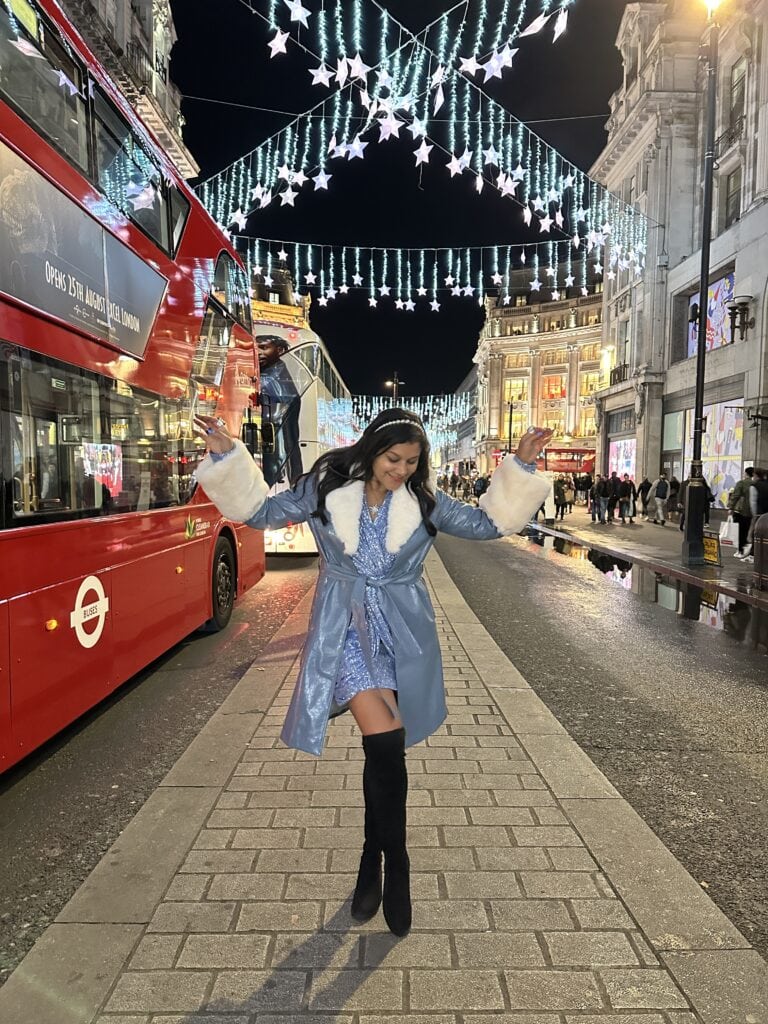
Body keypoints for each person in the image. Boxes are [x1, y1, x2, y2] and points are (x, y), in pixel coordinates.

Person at [194, 409, 552, 937]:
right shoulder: (324, 487)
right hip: (344, 629)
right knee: (385, 743)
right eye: (392, 459)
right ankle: (399, 864)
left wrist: (519, 465)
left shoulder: (425, 501)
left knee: (380, 753)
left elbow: (487, 524)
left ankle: (371, 858)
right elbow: (261, 513)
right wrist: (228, 455)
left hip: (402, 630)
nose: (401, 470)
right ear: (371, 450)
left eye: (411, 461)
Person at [258, 334, 303, 487]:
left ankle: (294, 482)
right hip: (273, 411)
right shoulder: (266, 370)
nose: (258, 352)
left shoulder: (276, 371)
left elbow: (265, 383)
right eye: (256, 347)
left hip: (284, 405)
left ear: (279, 350)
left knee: (287, 447)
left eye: (264, 348)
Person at [737, 467, 768, 562]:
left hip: (759, 514)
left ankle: (752, 555)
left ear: (755, 475)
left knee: (756, 534)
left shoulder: (754, 486)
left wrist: (754, 515)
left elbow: (753, 502)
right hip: (766, 513)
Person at [728, 467, 755, 557]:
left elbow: (735, 496)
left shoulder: (741, 483)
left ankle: (740, 550)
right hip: (750, 511)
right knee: (746, 529)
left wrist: (731, 507)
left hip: (740, 510)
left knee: (739, 531)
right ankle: (745, 548)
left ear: (746, 473)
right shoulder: (754, 484)